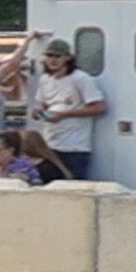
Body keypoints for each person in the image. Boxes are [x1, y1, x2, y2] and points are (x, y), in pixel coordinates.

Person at [30, 38, 107, 179]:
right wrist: (38, 110)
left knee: (74, 186)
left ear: (68, 57)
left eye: (58, 56)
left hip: (74, 146)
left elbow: (99, 107)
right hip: (50, 143)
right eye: (49, 56)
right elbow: (42, 102)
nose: (53, 60)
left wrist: (64, 114)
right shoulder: (45, 79)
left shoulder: (80, 79)